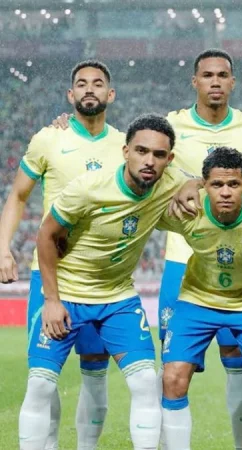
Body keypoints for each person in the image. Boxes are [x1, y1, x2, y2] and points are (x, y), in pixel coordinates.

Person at [51, 48, 242, 447]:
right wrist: (68, 124)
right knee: (170, 372)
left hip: (236, 262)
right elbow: (127, 144)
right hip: (182, 261)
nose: (214, 81)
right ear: (194, 81)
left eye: (222, 75)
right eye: (206, 75)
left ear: (232, 82)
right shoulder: (172, 124)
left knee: (240, 366)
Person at [18, 114, 185, 450]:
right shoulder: (89, 188)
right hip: (69, 294)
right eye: (141, 151)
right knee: (40, 385)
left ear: (169, 159)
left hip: (117, 298)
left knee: (144, 381)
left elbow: (208, 181)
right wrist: (52, 300)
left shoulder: (171, 183)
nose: (149, 161)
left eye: (158, 154)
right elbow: (46, 235)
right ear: (125, 151)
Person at [0, 60, 123, 449]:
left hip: (101, 279)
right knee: (43, 377)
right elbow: (18, 195)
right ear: (71, 95)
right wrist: (3, 247)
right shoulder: (48, 139)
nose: (89, 89)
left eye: (98, 83)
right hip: (51, 274)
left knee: (95, 375)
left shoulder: (125, 146)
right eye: (81, 84)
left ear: (110, 94)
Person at [157, 147, 242, 450]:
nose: (226, 192)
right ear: (204, 185)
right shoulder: (188, 210)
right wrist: (186, 184)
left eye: (234, 184)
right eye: (217, 184)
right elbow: (144, 203)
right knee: (173, 378)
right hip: (196, 300)